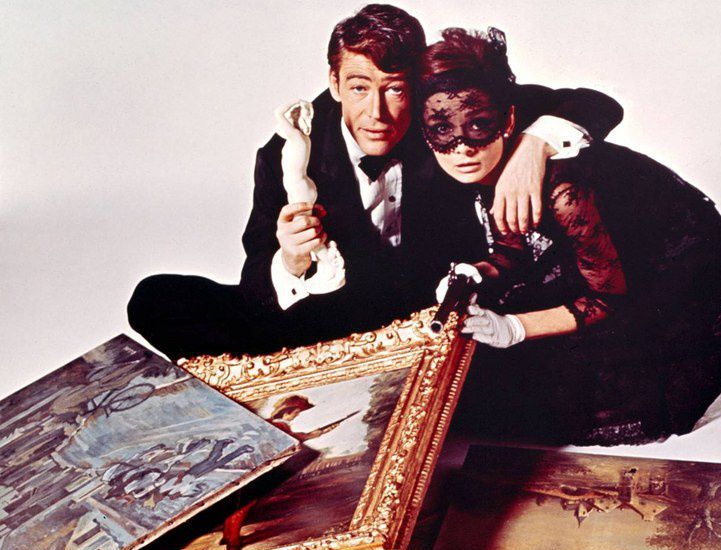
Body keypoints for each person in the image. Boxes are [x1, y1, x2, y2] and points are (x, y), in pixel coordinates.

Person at [127, 4, 624, 360]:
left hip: (436, 310)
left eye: (396, 90)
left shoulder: (446, 107)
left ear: (418, 87)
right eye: (360, 88)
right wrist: (291, 260)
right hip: (332, 315)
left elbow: (595, 104)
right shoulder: (288, 152)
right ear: (334, 83)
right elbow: (256, 281)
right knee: (158, 299)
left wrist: (533, 147)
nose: (377, 113)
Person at [419, 28, 721, 445]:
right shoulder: (475, 162)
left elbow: (609, 300)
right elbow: (511, 249)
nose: (462, 147)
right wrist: (477, 272)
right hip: (597, 251)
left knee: (543, 403)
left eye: (479, 125)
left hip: (669, 265)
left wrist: (514, 328)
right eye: (442, 129)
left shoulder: (564, 192)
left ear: (508, 121)